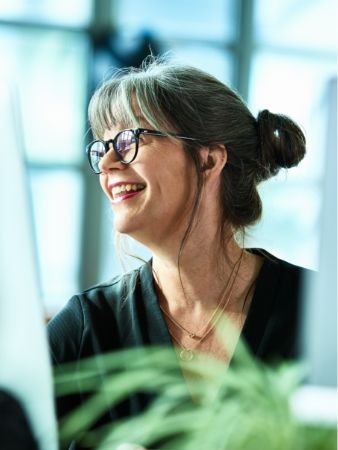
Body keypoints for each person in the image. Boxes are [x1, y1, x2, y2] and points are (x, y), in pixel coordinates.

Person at [48, 56, 309, 448]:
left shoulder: (318, 312)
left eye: (129, 139)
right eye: (102, 146)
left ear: (208, 159)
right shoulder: (87, 327)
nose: (106, 163)